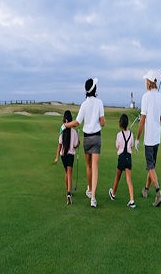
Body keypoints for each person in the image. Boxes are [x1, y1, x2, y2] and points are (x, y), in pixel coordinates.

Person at [61, 78, 105, 208]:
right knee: (95, 166)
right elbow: (102, 123)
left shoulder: (84, 104)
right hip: (96, 137)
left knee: (88, 166)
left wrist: (65, 125)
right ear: (94, 89)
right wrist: (98, 121)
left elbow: (77, 122)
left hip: (87, 138)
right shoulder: (99, 102)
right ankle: (93, 197)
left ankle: (90, 189)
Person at [135, 69, 161, 207]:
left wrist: (137, 138)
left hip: (149, 139)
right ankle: (146, 190)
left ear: (149, 82)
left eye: (146, 80)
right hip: (157, 138)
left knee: (150, 166)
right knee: (151, 166)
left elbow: (142, 120)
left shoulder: (145, 97)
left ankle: (158, 194)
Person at [109, 113, 136, 208]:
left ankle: (113, 194)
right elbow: (131, 145)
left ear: (120, 123)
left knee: (117, 178)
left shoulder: (119, 135)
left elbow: (117, 146)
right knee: (129, 179)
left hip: (121, 158)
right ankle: (132, 200)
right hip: (128, 158)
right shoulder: (131, 134)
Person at [54, 110, 80, 204]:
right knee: (69, 173)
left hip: (63, 155)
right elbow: (75, 145)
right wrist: (78, 143)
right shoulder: (74, 132)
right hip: (70, 155)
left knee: (66, 172)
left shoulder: (62, 130)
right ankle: (69, 193)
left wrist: (57, 157)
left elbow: (59, 145)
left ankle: (67, 191)